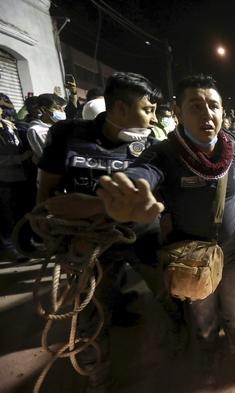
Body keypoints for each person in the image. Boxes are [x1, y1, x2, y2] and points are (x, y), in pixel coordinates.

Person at [96, 74, 235, 384]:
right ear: (177, 112)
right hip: (190, 255)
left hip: (234, 249)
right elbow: (144, 172)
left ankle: (234, 335)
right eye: (195, 106)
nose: (207, 115)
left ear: (223, 111)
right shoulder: (164, 153)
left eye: (214, 106)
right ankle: (207, 353)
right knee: (203, 319)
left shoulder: (234, 147)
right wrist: (130, 186)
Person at [36, 71, 162, 392]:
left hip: (136, 236)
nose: (153, 116)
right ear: (120, 108)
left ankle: (177, 328)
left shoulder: (150, 143)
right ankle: (98, 378)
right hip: (85, 241)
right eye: (148, 109)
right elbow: (46, 191)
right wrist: (51, 228)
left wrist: (94, 205)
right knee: (91, 312)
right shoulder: (67, 134)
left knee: (166, 289)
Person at [0, 105, 32, 261]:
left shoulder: (8, 125)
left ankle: (23, 244)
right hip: (3, 179)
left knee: (21, 212)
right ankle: (10, 248)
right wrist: (19, 159)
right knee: (7, 216)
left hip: (20, 176)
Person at [27, 93, 67, 164]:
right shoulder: (35, 130)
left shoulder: (63, 125)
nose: (62, 112)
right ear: (44, 109)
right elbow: (47, 157)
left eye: (63, 109)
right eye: (57, 108)